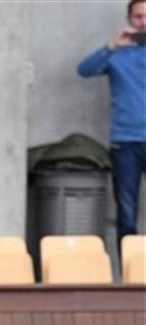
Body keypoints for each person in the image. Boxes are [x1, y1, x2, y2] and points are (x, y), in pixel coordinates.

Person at [78, 0, 146, 244]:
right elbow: (85, 70)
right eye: (138, 16)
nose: (144, 22)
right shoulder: (117, 54)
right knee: (127, 212)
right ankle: (128, 266)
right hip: (125, 142)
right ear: (130, 20)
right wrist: (112, 45)